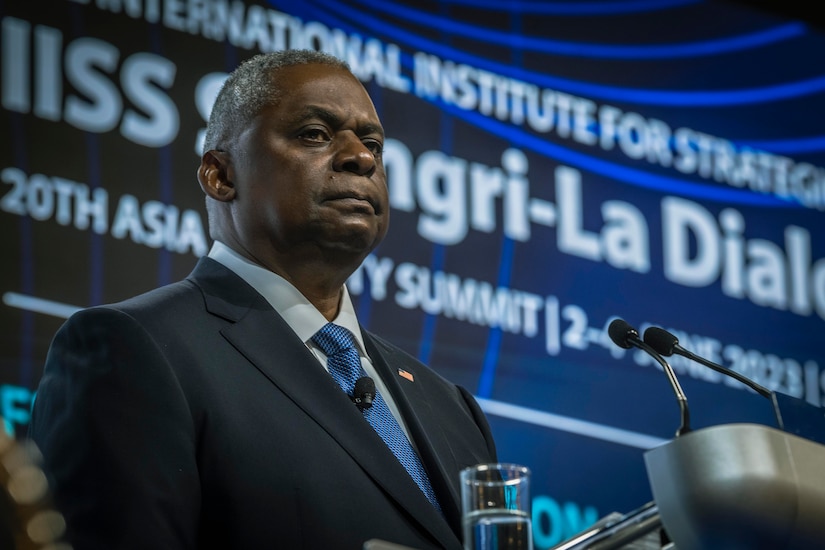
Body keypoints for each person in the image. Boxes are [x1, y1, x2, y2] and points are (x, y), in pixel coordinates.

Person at [29, 49, 498, 549]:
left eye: (373, 144)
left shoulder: (451, 408)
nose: (361, 158)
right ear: (221, 176)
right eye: (314, 134)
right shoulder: (133, 349)